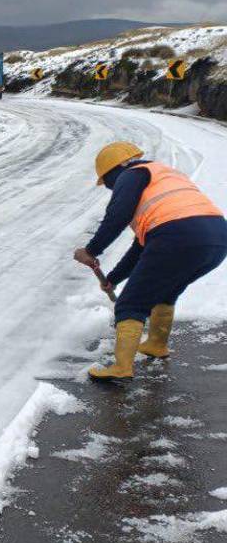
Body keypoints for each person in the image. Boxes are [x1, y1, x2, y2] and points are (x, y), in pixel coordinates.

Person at [73, 141, 227, 382]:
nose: (111, 188)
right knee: (165, 289)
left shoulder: (131, 175)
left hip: (177, 235)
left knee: (130, 304)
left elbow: (117, 216)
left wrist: (91, 250)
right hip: (217, 238)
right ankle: (156, 344)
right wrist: (113, 279)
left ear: (113, 172)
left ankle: (122, 367)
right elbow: (141, 248)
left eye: (107, 183)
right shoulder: (161, 175)